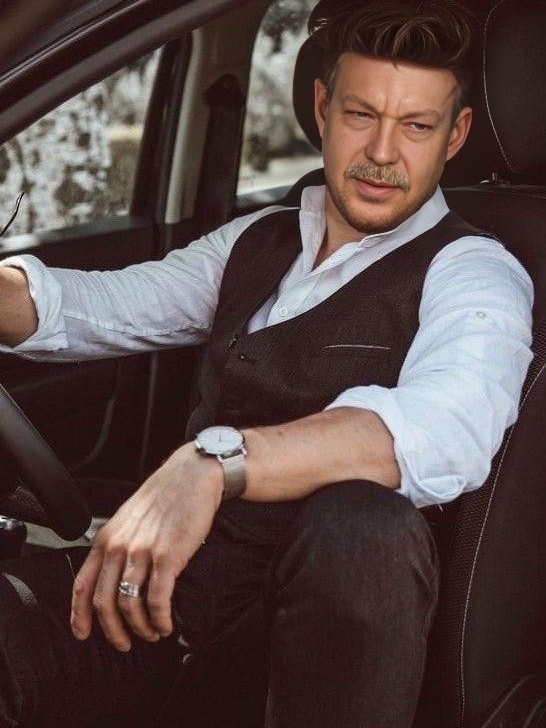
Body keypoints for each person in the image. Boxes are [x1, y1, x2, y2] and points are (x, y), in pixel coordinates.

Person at [0, 1, 534, 727]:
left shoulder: (474, 271)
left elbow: (449, 427)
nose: (383, 152)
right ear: (322, 108)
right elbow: (103, 304)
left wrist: (213, 464)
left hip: (301, 657)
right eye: (361, 114)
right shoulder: (264, 236)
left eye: (417, 125)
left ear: (456, 134)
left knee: (364, 522)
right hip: (158, 607)